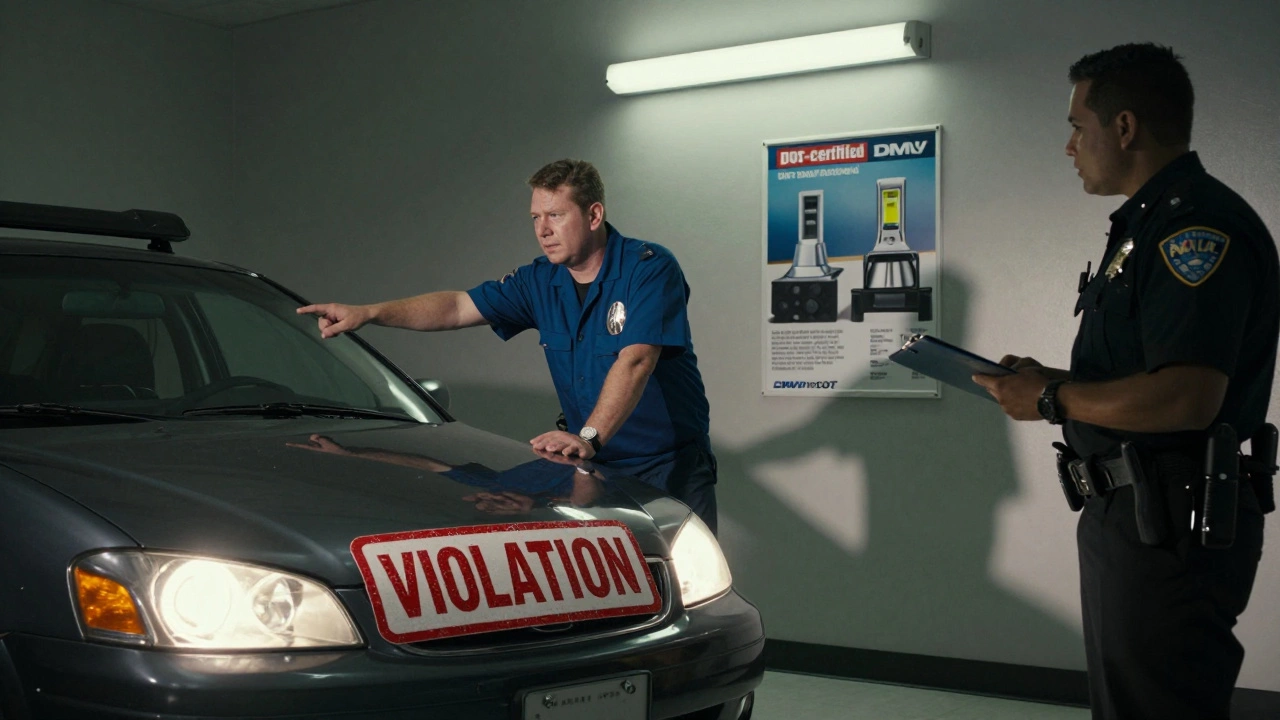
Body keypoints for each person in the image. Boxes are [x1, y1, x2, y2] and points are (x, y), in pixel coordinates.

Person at [973, 43, 1278, 719]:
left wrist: (1052, 398)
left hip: (1169, 525)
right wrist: (1048, 378)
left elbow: (1187, 396)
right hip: (1135, 513)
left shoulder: (1193, 227)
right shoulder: (1148, 225)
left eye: (1079, 127)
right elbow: (1147, 372)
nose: (1070, 146)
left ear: (1125, 128)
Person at [298, 159, 719, 532]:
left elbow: (636, 360)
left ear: (594, 214)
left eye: (555, 215)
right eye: (535, 217)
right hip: (591, 466)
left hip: (666, 464)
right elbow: (457, 307)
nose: (543, 230)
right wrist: (370, 313)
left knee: (683, 580)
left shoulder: (648, 268)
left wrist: (588, 435)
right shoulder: (539, 280)